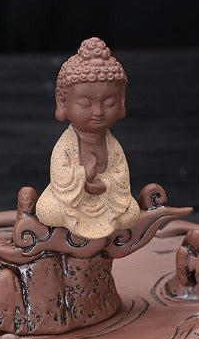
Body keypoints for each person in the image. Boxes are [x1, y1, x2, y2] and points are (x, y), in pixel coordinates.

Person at [36, 37, 140, 239]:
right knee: (47, 209)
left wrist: (105, 183)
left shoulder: (112, 145)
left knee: (132, 212)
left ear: (122, 101)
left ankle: (101, 228)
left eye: (109, 103)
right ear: (62, 101)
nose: (98, 112)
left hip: (105, 199)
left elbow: (121, 174)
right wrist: (83, 174)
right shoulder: (66, 144)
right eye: (85, 104)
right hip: (73, 202)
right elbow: (60, 176)